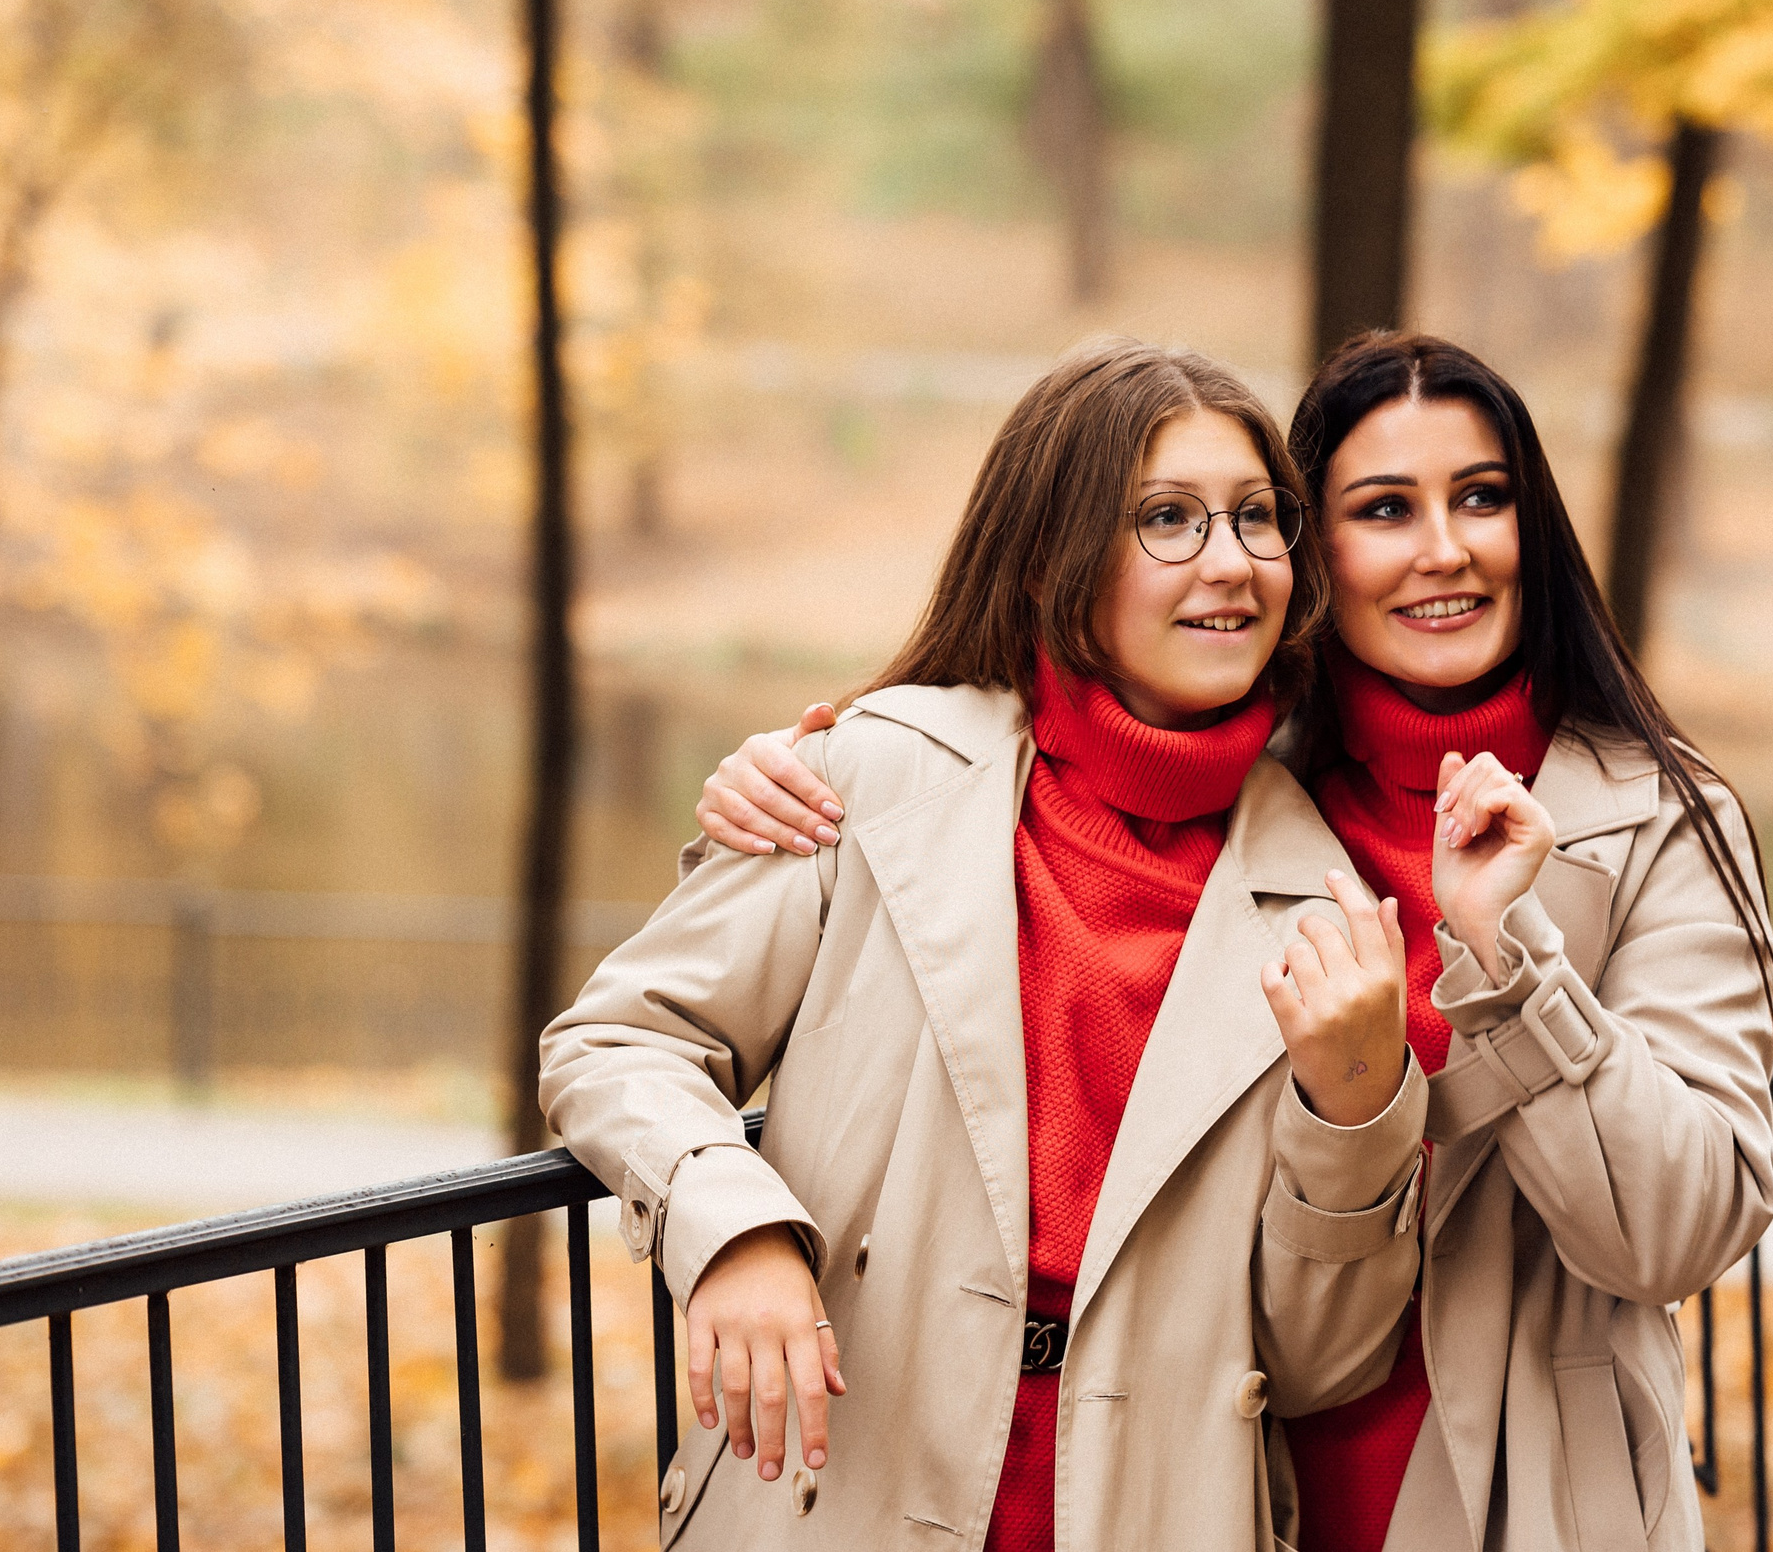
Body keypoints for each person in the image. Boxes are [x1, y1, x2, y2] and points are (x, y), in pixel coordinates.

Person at [695, 331, 1773, 1552]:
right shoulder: (1240, 786)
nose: (1446, 547)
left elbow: (1682, 1230)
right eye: (1383, 508)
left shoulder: (1658, 818)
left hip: (1508, 1492)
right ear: (1316, 551)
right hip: (1205, 1479)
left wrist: (1508, 952)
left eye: (1483, 497)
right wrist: (791, 776)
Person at [540, 340, 1431, 1552]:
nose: (1228, 564)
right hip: (838, 1490)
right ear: (1051, 559)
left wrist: (1357, 1103)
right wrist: (733, 1228)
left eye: (1255, 518)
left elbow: (1319, 1359)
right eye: (1165, 518)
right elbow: (617, 1041)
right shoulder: (870, 772)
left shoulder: (1326, 904)